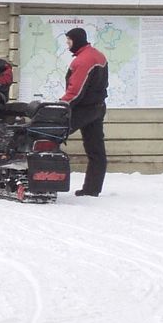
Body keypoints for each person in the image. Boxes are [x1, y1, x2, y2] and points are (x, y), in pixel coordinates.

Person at [59, 26, 109, 197]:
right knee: (96, 150)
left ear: (77, 40)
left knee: (51, 136)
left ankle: (46, 177)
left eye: (69, 41)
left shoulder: (83, 60)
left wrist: (61, 106)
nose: (67, 45)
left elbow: (75, 91)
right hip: (98, 107)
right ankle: (92, 188)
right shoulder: (99, 55)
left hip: (82, 110)